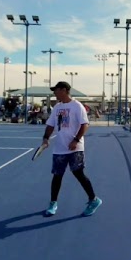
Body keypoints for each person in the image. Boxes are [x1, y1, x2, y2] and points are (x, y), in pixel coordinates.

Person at [40, 81, 102, 217]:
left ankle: (94, 200)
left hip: (75, 147)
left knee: (79, 174)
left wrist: (76, 140)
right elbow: (51, 124)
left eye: (55, 90)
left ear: (63, 90)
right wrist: (45, 138)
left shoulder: (77, 106)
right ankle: (53, 203)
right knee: (57, 176)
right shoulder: (57, 107)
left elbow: (85, 124)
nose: (54, 93)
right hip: (60, 148)